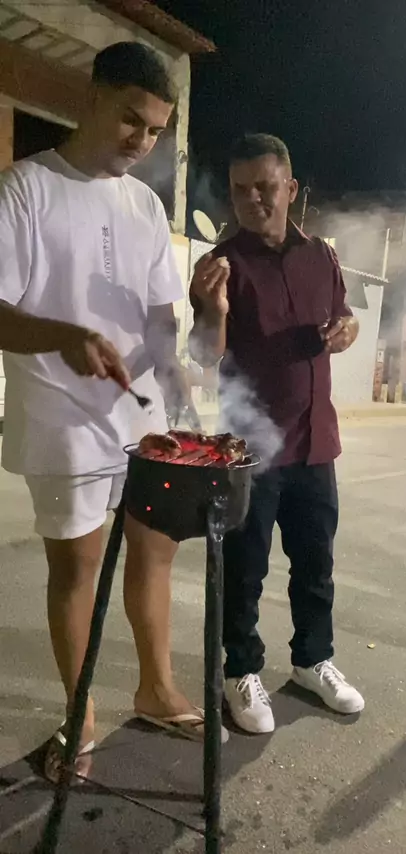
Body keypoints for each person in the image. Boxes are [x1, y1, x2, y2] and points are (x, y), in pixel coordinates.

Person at [0, 41, 215, 784]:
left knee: (154, 553)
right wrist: (64, 336)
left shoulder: (145, 204)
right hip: (61, 418)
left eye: (155, 130)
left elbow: (159, 314)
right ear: (92, 97)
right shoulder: (26, 189)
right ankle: (81, 711)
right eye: (131, 119)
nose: (141, 140)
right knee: (78, 569)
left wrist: (176, 370)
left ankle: (155, 689)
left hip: (140, 415)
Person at [189, 133, 365, 735]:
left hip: (316, 443)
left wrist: (348, 331)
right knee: (245, 571)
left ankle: (313, 659)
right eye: (240, 190)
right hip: (251, 450)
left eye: (265, 188)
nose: (252, 200)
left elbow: (343, 318)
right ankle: (240, 670)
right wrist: (212, 309)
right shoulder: (222, 265)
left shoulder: (321, 257)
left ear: (291, 188)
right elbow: (203, 356)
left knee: (316, 563)